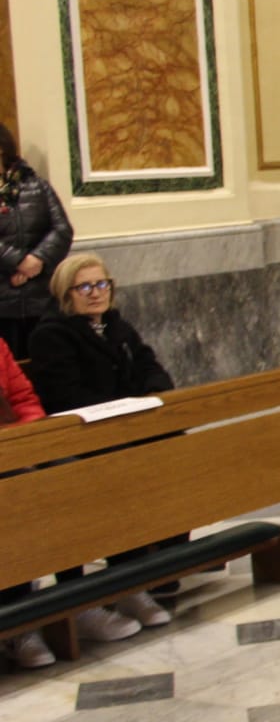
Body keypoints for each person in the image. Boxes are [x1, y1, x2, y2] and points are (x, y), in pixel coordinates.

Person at [28, 253, 180, 639]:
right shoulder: (52, 334)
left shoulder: (117, 326)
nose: (96, 294)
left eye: (102, 284)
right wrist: (120, 409)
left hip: (122, 430)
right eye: (85, 287)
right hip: (83, 436)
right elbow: (65, 396)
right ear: (67, 294)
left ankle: (146, 576)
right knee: (102, 478)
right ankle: (98, 594)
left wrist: (152, 392)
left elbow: (150, 366)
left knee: (174, 449)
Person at [0, 121, 74, 360]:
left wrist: (37, 260)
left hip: (40, 297)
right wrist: (18, 261)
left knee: (48, 366)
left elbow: (62, 229)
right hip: (3, 302)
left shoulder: (36, 185)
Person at [1, 336, 53, 669]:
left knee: (66, 471)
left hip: (11, 446)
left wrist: (28, 442)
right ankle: (15, 623)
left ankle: (78, 595)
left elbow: (23, 398)